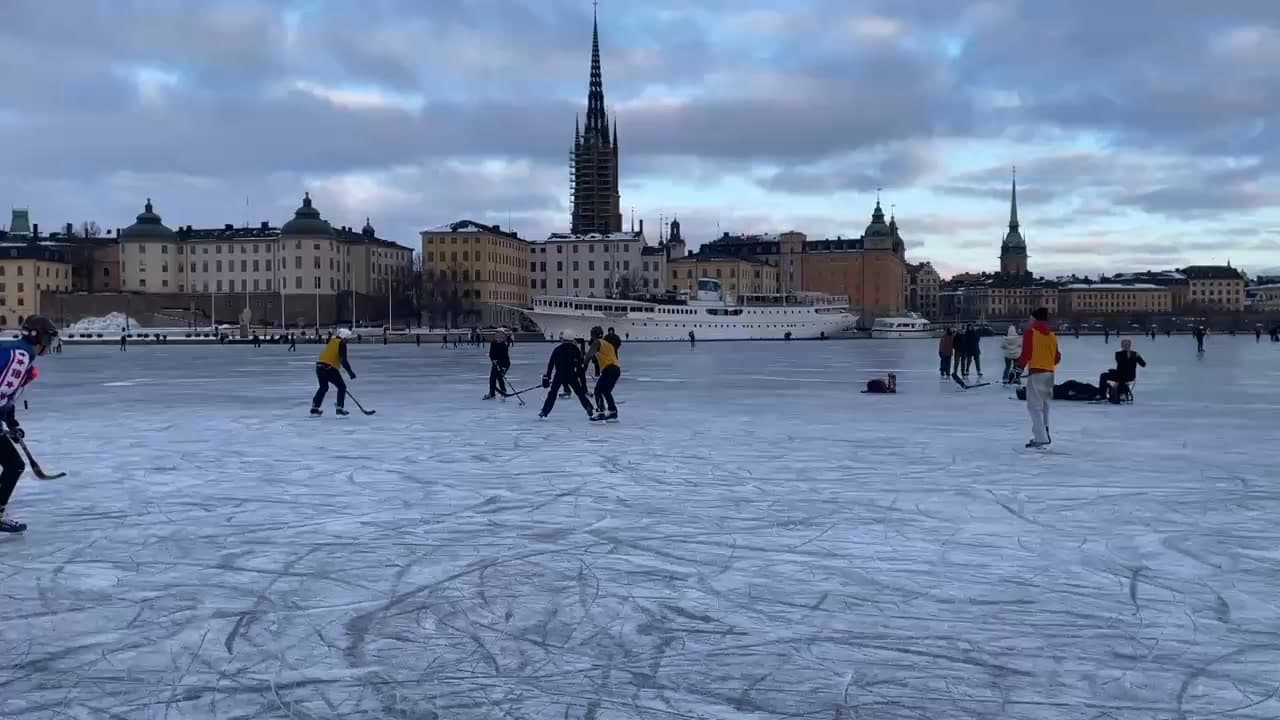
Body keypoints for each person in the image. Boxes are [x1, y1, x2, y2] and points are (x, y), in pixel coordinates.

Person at [0, 316, 56, 533]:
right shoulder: (22, 356)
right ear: (37, 337)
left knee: (13, 464)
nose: (48, 344)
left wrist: (11, 423)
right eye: (47, 338)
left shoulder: (15, 350)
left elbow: (6, 395)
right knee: (13, 465)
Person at [1017, 307, 1060, 448]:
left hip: (1036, 373)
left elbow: (1026, 354)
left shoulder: (1031, 333)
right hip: (1049, 373)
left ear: (1034, 319)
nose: (1029, 321)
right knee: (1044, 406)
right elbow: (1057, 358)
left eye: (1031, 318)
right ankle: (1045, 432)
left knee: (1034, 406)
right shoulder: (1052, 336)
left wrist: (1017, 370)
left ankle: (1041, 438)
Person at [539, 331, 595, 419]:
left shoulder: (557, 349)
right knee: (579, 393)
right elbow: (580, 365)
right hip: (571, 374)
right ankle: (588, 407)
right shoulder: (575, 349)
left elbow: (551, 364)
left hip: (559, 375)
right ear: (572, 340)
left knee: (552, 393)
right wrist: (581, 380)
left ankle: (544, 411)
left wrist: (547, 377)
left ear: (563, 339)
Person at [310, 328, 356, 416]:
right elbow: (343, 360)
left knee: (323, 387)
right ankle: (339, 408)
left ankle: (314, 408)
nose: (347, 341)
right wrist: (350, 373)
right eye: (347, 339)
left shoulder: (332, 341)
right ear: (344, 337)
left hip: (319, 366)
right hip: (329, 367)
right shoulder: (342, 343)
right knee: (342, 387)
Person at [586, 325, 621, 421]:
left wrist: (583, 366)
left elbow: (589, 355)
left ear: (593, 335)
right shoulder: (607, 344)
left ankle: (601, 412)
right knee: (606, 391)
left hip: (609, 369)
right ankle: (612, 411)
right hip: (616, 369)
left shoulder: (597, 342)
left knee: (598, 390)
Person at [484, 329, 512, 400]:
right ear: (495, 338)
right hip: (495, 363)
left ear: (503, 338)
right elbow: (491, 353)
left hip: (504, 364)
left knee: (500, 377)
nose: (499, 339)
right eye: (498, 337)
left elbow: (505, 358)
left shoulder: (504, 346)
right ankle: (492, 394)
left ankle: (503, 391)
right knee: (492, 378)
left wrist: (503, 367)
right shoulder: (493, 344)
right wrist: (493, 360)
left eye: (501, 338)